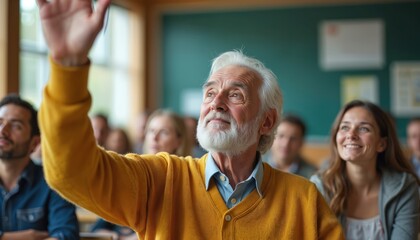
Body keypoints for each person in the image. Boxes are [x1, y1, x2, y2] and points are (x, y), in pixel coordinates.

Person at [36, 0, 344, 238]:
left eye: (235, 95)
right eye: (209, 94)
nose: (216, 103)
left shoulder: (304, 200)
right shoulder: (160, 178)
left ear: (266, 122)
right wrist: (68, 67)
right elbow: (71, 174)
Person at [310, 100, 420, 240]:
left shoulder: (404, 188)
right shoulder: (320, 187)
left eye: (364, 129)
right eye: (344, 127)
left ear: (381, 144)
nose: (351, 134)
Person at [0, 94, 79, 239]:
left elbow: (66, 235)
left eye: (16, 126)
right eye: (0, 122)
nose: (3, 131)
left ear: (34, 143)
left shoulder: (54, 183)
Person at [92, 127, 137, 240]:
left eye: (120, 140)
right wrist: (116, 236)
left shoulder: (135, 168)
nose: (117, 144)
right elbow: (96, 230)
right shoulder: (112, 194)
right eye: (114, 140)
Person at [267, 114, 317, 179]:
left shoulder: (312, 174)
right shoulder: (256, 166)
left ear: (301, 143)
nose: (285, 144)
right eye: (281, 136)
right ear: (272, 137)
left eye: (293, 138)